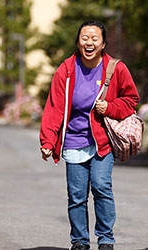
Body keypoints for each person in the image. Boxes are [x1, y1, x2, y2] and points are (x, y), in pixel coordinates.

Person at [39, 20, 140, 250]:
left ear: (103, 43)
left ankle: (105, 239)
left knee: (101, 186)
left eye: (95, 38)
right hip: (74, 140)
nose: (89, 42)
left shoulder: (116, 69)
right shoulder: (66, 70)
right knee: (76, 195)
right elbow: (54, 107)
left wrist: (110, 107)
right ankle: (80, 242)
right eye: (85, 38)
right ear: (78, 42)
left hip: (102, 140)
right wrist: (48, 140)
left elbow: (131, 100)